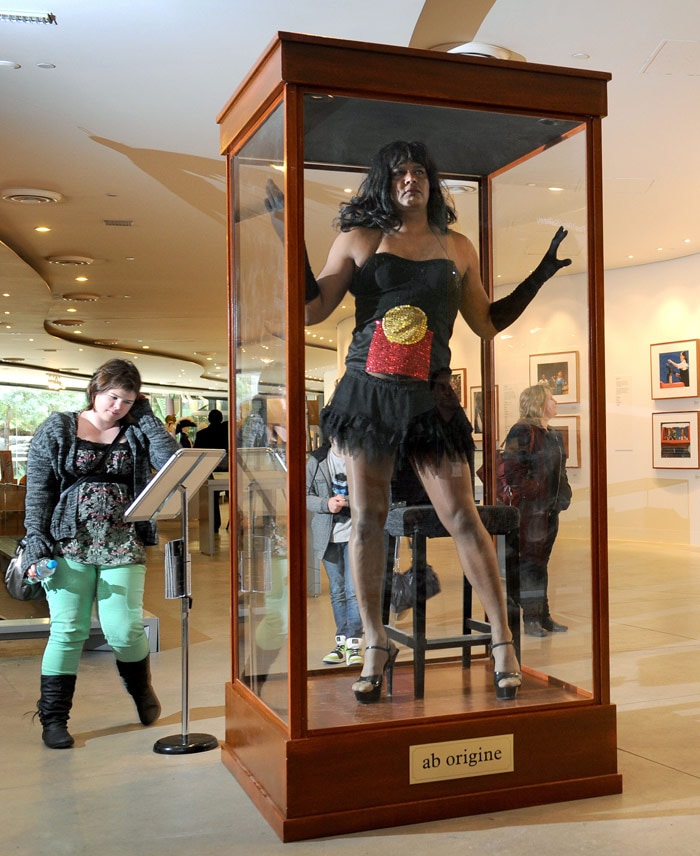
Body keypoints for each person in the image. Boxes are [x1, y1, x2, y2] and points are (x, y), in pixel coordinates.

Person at [268, 139, 571, 704]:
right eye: (399, 171)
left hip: (430, 398)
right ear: (384, 182)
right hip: (368, 396)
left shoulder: (456, 246)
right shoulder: (359, 238)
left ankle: (502, 639)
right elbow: (312, 308)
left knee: (462, 515)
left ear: (432, 182)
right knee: (366, 519)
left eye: (419, 171)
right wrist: (289, 233)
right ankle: (374, 642)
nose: (411, 178)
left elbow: (485, 323)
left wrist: (539, 276)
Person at [22, 359, 179, 748]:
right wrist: (35, 540)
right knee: (68, 630)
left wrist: (146, 418)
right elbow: (39, 490)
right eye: (113, 397)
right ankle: (54, 718)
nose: (117, 407)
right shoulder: (59, 427)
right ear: (96, 390)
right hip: (67, 542)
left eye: (127, 401)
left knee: (124, 630)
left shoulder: (136, 429)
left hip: (122, 542)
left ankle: (141, 689)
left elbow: (172, 465)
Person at [503, 385, 572, 637]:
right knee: (531, 563)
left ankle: (542, 615)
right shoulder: (522, 431)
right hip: (531, 511)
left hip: (550, 511)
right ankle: (531, 618)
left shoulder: (552, 434)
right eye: (551, 399)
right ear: (539, 403)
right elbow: (513, 473)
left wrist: (563, 495)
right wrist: (534, 496)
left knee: (541, 563)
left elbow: (560, 471)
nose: (556, 403)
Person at [306, 441, 363, 667]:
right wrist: (326, 503)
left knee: (352, 590)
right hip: (327, 537)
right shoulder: (317, 460)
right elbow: (304, 494)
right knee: (337, 590)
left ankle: (353, 643)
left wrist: (351, 501)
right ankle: (342, 642)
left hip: (355, 535)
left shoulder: (360, 457)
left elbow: (376, 492)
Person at [194, 409, 229, 532]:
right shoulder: (227, 432)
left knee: (212, 498)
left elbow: (197, 453)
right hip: (228, 469)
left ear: (209, 419)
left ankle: (215, 525)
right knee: (234, 497)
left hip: (210, 469)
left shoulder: (201, 434)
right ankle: (233, 523)